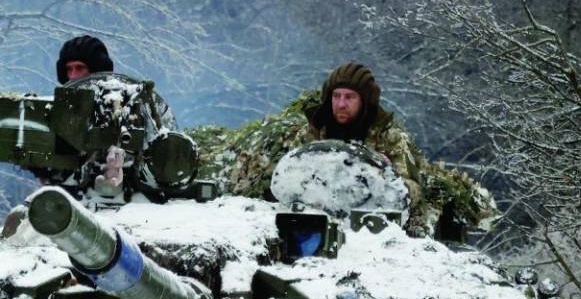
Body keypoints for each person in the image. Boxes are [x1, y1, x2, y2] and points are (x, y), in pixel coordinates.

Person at [190, 63, 496, 241]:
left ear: (364, 101)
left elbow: (411, 188)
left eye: (350, 97)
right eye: (336, 96)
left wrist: (385, 176)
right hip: (312, 217)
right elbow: (290, 172)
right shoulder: (313, 128)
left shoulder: (388, 135)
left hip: (366, 222)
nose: (341, 104)